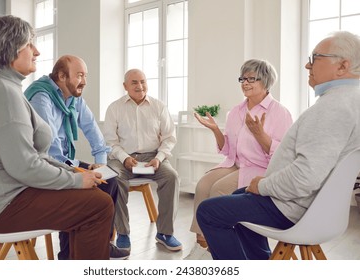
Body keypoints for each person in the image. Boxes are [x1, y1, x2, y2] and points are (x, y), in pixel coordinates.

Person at [196, 30, 360, 260]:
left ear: (342, 66)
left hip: (292, 206)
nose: (306, 65)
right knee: (237, 194)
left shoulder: (331, 108)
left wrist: (263, 186)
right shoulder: (349, 101)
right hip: (309, 204)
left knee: (209, 212)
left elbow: (304, 178)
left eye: (315, 58)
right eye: (243, 78)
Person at [0, 15, 113, 260]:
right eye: (29, 44)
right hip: (1, 205)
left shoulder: (3, 86)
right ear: (11, 48)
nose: (37, 51)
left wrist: (77, 174)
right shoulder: (3, 93)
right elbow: (24, 165)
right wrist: (75, 181)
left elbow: (35, 156)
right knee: (98, 205)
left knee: (95, 195)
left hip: (5, 194)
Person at [24, 55, 129, 260]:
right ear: (62, 76)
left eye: (85, 75)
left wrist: (100, 164)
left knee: (109, 180)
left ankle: (102, 245)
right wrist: (79, 171)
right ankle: (67, 255)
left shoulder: (73, 98)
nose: (85, 81)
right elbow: (49, 151)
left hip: (63, 161)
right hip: (43, 165)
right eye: (80, 75)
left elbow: (93, 131)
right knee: (81, 191)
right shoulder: (41, 98)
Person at [189, 59, 293, 250]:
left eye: (251, 79)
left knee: (218, 190)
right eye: (242, 78)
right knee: (203, 185)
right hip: (235, 163)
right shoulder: (236, 111)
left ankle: (217, 246)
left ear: (266, 81)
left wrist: (260, 135)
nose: (245, 83)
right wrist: (216, 131)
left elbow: (283, 156)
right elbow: (228, 150)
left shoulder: (280, 113)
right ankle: (202, 245)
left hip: (260, 168)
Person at [103, 69, 182, 251]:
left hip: (153, 157)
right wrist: (124, 158)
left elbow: (169, 138)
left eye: (143, 81)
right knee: (114, 178)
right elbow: (110, 142)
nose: (140, 86)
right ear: (125, 86)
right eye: (134, 83)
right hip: (122, 157)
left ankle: (165, 233)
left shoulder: (159, 106)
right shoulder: (114, 108)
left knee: (171, 177)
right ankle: (123, 233)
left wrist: (159, 158)